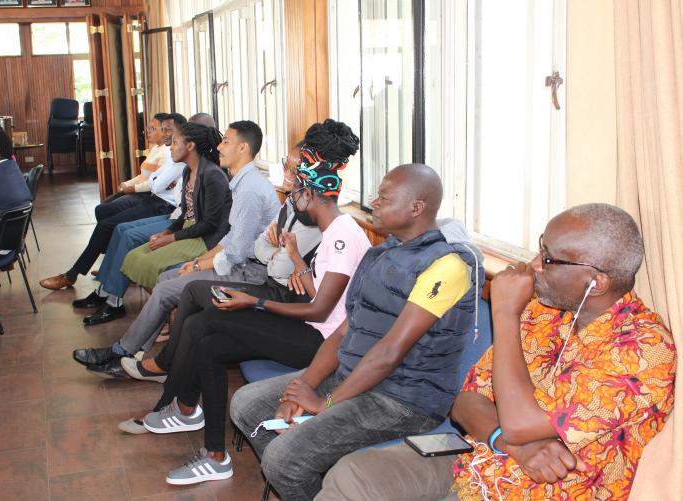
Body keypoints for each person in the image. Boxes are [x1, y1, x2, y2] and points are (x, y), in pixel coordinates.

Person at [316, 203, 677, 501]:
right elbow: (465, 402)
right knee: (353, 475)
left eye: (549, 259)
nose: (534, 265)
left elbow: (519, 423)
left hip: (543, 491)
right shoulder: (544, 311)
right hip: (478, 458)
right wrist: (511, 444)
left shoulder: (644, 350)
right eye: (541, 248)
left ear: (595, 282)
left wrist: (505, 313)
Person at [136, 119, 370, 486]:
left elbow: (321, 310)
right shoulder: (332, 231)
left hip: (320, 341)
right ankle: (212, 451)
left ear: (310, 194)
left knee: (207, 321)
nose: (290, 196)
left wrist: (252, 303)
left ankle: (185, 412)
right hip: (309, 324)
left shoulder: (342, 236)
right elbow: (318, 291)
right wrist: (297, 261)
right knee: (207, 338)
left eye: (295, 191)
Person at [229, 164, 483, 501]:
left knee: (285, 459)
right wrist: (304, 386)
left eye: (384, 198)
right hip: (355, 376)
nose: (374, 202)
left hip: (403, 400)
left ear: (416, 207)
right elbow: (344, 331)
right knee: (246, 406)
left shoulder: (448, 266)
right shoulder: (381, 253)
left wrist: (325, 403)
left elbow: (391, 351)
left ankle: (310, 476)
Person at [74, 140, 321, 380]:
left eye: (226, 141)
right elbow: (254, 244)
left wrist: (199, 264)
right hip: (247, 263)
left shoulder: (253, 190)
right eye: (285, 165)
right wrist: (270, 250)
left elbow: (253, 256)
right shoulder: (285, 199)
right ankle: (134, 351)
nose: (220, 146)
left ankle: (126, 352)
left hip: (254, 274)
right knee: (166, 278)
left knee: (171, 289)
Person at [77, 120, 231, 326]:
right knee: (133, 254)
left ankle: (127, 307)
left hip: (204, 238)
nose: (170, 147)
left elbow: (209, 224)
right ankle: (107, 294)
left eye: (175, 142)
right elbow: (186, 213)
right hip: (188, 229)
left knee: (143, 259)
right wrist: (166, 232)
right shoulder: (188, 171)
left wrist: (170, 239)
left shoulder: (213, 175)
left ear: (190, 146)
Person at [38, 114, 187, 291]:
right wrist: (153, 181)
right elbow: (154, 179)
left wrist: (154, 182)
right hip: (153, 200)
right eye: (163, 129)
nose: (164, 133)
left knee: (107, 226)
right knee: (104, 213)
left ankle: (73, 274)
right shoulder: (169, 152)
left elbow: (155, 184)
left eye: (167, 130)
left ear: (181, 133)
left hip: (161, 205)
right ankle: (105, 265)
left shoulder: (176, 156)